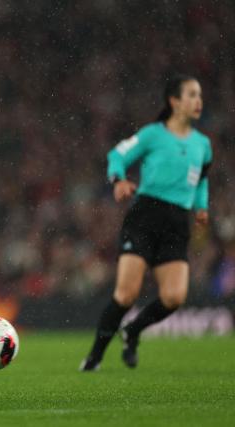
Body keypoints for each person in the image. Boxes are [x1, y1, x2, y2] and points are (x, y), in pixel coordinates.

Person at [80, 74, 212, 371]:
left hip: (178, 221)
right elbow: (117, 154)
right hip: (145, 216)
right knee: (126, 294)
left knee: (174, 297)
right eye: (191, 94)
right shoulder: (153, 134)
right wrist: (118, 179)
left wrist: (201, 208)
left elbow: (201, 181)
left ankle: (133, 331)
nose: (198, 101)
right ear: (174, 101)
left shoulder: (203, 144)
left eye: (199, 95)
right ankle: (95, 356)